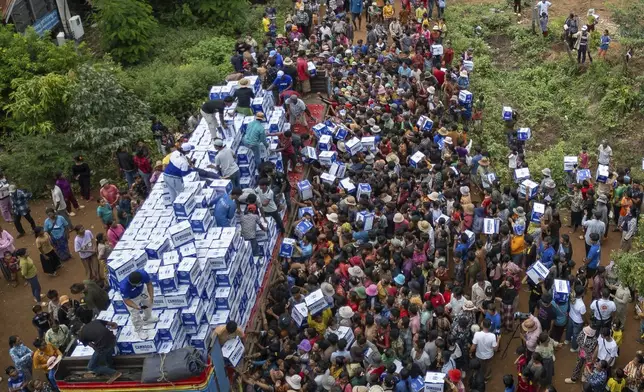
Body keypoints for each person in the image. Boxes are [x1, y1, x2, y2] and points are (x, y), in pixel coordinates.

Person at [77, 309, 122, 384]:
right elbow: (113, 324)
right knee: (107, 355)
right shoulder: (97, 321)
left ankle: (114, 373)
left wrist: (98, 350)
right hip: (113, 340)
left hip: (104, 346)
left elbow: (93, 346)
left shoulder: (82, 333)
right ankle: (110, 369)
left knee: (91, 367)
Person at [119, 270, 157, 340]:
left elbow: (149, 284)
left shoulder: (143, 274)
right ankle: (139, 330)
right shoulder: (124, 287)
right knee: (135, 315)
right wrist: (135, 306)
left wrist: (151, 297)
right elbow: (126, 300)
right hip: (131, 299)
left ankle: (148, 318)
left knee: (149, 303)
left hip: (142, 291)